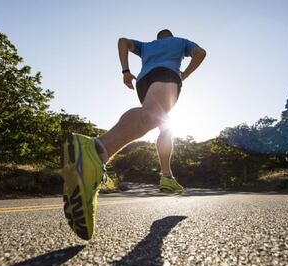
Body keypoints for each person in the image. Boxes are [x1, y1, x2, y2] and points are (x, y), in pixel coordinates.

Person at [61, 29, 206, 240]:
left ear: (159, 38)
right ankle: (97, 149)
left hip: (144, 81)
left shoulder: (147, 46)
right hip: (167, 75)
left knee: (165, 126)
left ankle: (167, 176)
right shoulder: (181, 42)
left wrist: (125, 71)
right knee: (152, 117)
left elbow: (122, 41)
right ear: (171, 36)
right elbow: (200, 53)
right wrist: (184, 74)